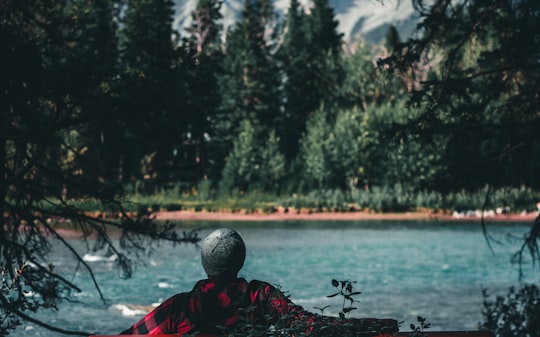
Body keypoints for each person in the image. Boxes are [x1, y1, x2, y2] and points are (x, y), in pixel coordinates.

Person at [121, 228, 399, 336]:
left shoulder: (179, 308)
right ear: (240, 261)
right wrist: (378, 325)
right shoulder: (261, 297)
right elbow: (311, 325)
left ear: (205, 264)